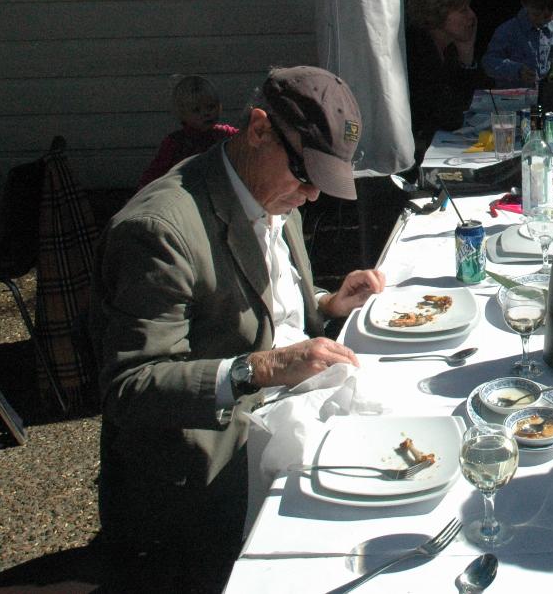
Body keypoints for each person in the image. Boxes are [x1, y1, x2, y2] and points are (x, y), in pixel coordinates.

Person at [93, 66, 386, 592]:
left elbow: (269, 300)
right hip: (213, 467)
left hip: (292, 414)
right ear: (257, 129)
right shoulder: (158, 231)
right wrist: (263, 368)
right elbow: (129, 389)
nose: (312, 194)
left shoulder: (270, 187)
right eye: (305, 173)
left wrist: (326, 301)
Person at [405, 0, 489, 159]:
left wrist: (466, 51)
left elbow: (468, 104)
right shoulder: (417, 50)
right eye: (462, 9)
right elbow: (450, 117)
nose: (472, 15)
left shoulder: (447, 49)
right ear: (437, 11)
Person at [138, 75, 239, 189]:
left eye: (211, 107)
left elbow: (246, 139)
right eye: (197, 110)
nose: (206, 113)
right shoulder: (176, 142)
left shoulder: (225, 134)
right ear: (182, 114)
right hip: (184, 192)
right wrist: (143, 192)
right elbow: (155, 172)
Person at [482, 0, 553, 88]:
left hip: (546, 95)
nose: (541, 20)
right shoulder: (507, 31)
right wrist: (516, 70)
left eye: (547, 16)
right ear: (524, 4)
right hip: (513, 98)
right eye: (536, 14)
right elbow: (489, 63)